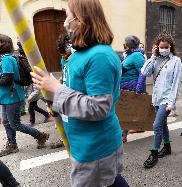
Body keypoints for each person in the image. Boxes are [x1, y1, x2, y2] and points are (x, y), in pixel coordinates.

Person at [31, 0, 129, 186]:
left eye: (68, 16)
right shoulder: (79, 53)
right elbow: (77, 91)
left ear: (81, 20)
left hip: (95, 147)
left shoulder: (99, 56)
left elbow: (99, 107)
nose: (65, 22)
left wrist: (57, 90)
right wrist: (57, 103)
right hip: (83, 142)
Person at [0, 34, 49, 157]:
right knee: (6, 122)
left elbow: (6, 80)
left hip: (12, 97)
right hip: (7, 98)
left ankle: (40, 135)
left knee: (15, 124)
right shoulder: (4, 58)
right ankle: (12, 144)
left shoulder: (6, 59)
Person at [141, 32, 182, 168]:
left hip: (167, 99)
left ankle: (154, 152)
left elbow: (176, 83)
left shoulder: (176, 61)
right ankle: (168, 146)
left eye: (166, 46)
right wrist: (152, 56)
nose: (164, 49)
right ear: (157, 47)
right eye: (161, 47)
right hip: (157, 98)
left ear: (171, 46)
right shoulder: (155, 60)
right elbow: (144, 73)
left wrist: (171, 103)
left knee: (157, 125)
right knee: (163, 124)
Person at [120, 35, 146, 143]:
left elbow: (142, 73)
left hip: (131, 87)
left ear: (130, 45)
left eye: (125, 43)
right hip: (124, 87)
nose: (124, 45)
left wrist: (138, 88)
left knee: (125, 112)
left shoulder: (136, 56)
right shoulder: (129, 55)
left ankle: (123, 135)